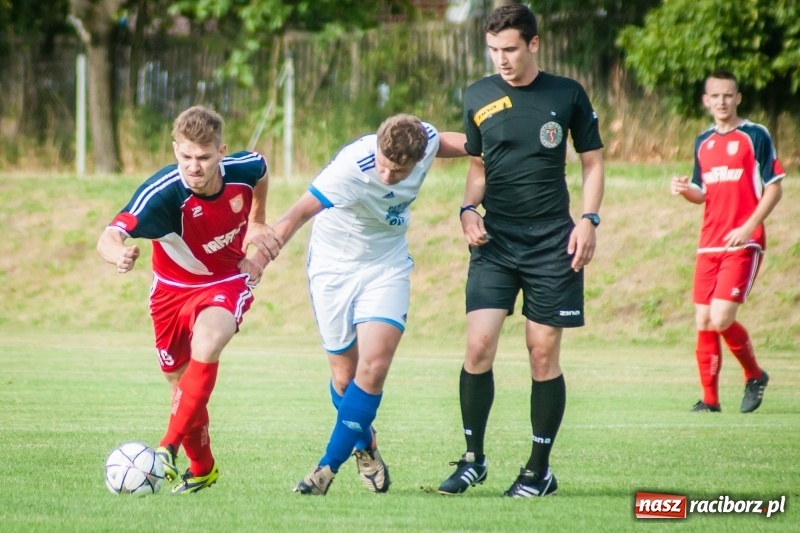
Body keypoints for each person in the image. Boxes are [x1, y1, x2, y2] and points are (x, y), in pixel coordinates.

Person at [437, 4, 604, 498]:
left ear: (534, 43)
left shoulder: (567, 93)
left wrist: (589, 221)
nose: (501, 60)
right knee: (477, 347)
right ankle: (473, 459)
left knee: (541, 352)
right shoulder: (479, 95)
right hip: (497, 241)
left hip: (554, 241)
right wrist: (468, 210)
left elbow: (592, 164)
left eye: (509, 49)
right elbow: (478, 167)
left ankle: (538, 469)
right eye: (493, 50)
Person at [249, 114, 466, 495]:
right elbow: (297, 214)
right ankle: (366, 446)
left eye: (397, 171)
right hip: (333, 270)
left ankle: (324, 470)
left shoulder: (425, 142)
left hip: (387, 265)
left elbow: (448, 141)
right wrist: (259, 260)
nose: (386, 176)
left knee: (375, 364)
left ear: (417, 160)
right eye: (382, 165)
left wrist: (498, 141)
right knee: (344, 379)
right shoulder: (352, 165)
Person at [97, 106, 282, 494]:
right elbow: (110, 235)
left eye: (203, 157)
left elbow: (262, 169)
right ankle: (203, 468)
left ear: (221, 151)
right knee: (179, 387)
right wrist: (120, 255)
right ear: (175, 149)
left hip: (227, 279)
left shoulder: (243, 169)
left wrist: (258, 220)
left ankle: (166, 448)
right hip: (169, 292)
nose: (193, 167)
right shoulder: (162, 194)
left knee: (208, 341)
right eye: (185, 156)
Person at [671, 70, 784, 414]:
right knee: (704, 321)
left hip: (743, 242)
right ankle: (710, 400)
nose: (721, 102)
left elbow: (775, 187)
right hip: (710, 242)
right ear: (706, 101)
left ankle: (755, 374)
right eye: (715, 96)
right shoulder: (703, 141)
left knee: (721, 318)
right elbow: (702, 192)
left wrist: (749, 227)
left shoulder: (755, 136)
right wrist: (684, 190)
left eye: (728, 95)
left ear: (738, 98)